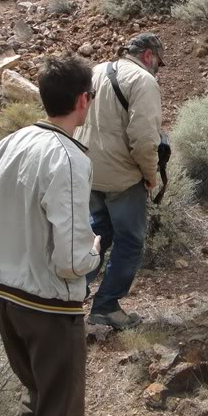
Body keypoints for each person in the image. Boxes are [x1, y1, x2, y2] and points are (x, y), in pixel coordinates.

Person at [0, 54, 101, 416]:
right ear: (82, 101)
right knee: (61, 411)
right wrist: (95, 253)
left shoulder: (10, 142)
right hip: (49, 307)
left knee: (37, 396)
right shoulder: (70, 159)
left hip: (4, 298)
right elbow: (71, 262)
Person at [75, 33, 164, 330]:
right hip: (122, 176)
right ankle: (107, 306)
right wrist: (151, 176)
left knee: (98, 234)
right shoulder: (143, 80)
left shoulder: (96, 71)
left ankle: (68, 299)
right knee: (130, 240)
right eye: (158, 63)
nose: (158, 70)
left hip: (87, 169)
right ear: (149, 55)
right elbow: (144, 139)